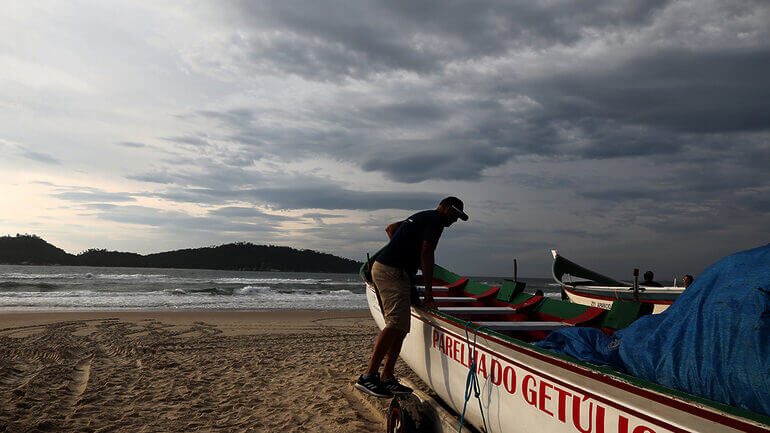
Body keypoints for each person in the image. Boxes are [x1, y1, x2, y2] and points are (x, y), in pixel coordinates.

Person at [355, 196, 468, 398]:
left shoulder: (423, 217)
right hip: (391, 272)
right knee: (395, 323)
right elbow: (427, 253)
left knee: (401, 327)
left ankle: (387, 378)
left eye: (458, 217)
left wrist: (402, 252)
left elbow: (391, 228)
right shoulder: (435, 221)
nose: (454, 219)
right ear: (442, 207)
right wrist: (429, 292)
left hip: (393, 270)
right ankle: (368, 377)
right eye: (453, 213)